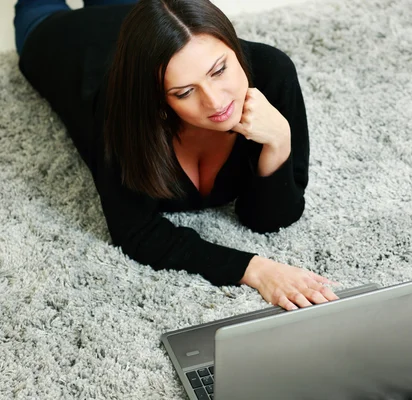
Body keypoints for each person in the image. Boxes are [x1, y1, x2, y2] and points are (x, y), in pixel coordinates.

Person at [15, 0, 339, 310]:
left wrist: (279, 141)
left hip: (141, 25)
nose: (214, 102)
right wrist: (253, 269)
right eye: (184, 92)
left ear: (231, 42)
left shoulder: (272, 72)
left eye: (219, 70)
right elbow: (137, 234)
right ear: (158, 98)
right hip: (65, 39)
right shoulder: (125, 113)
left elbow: (269, 219)